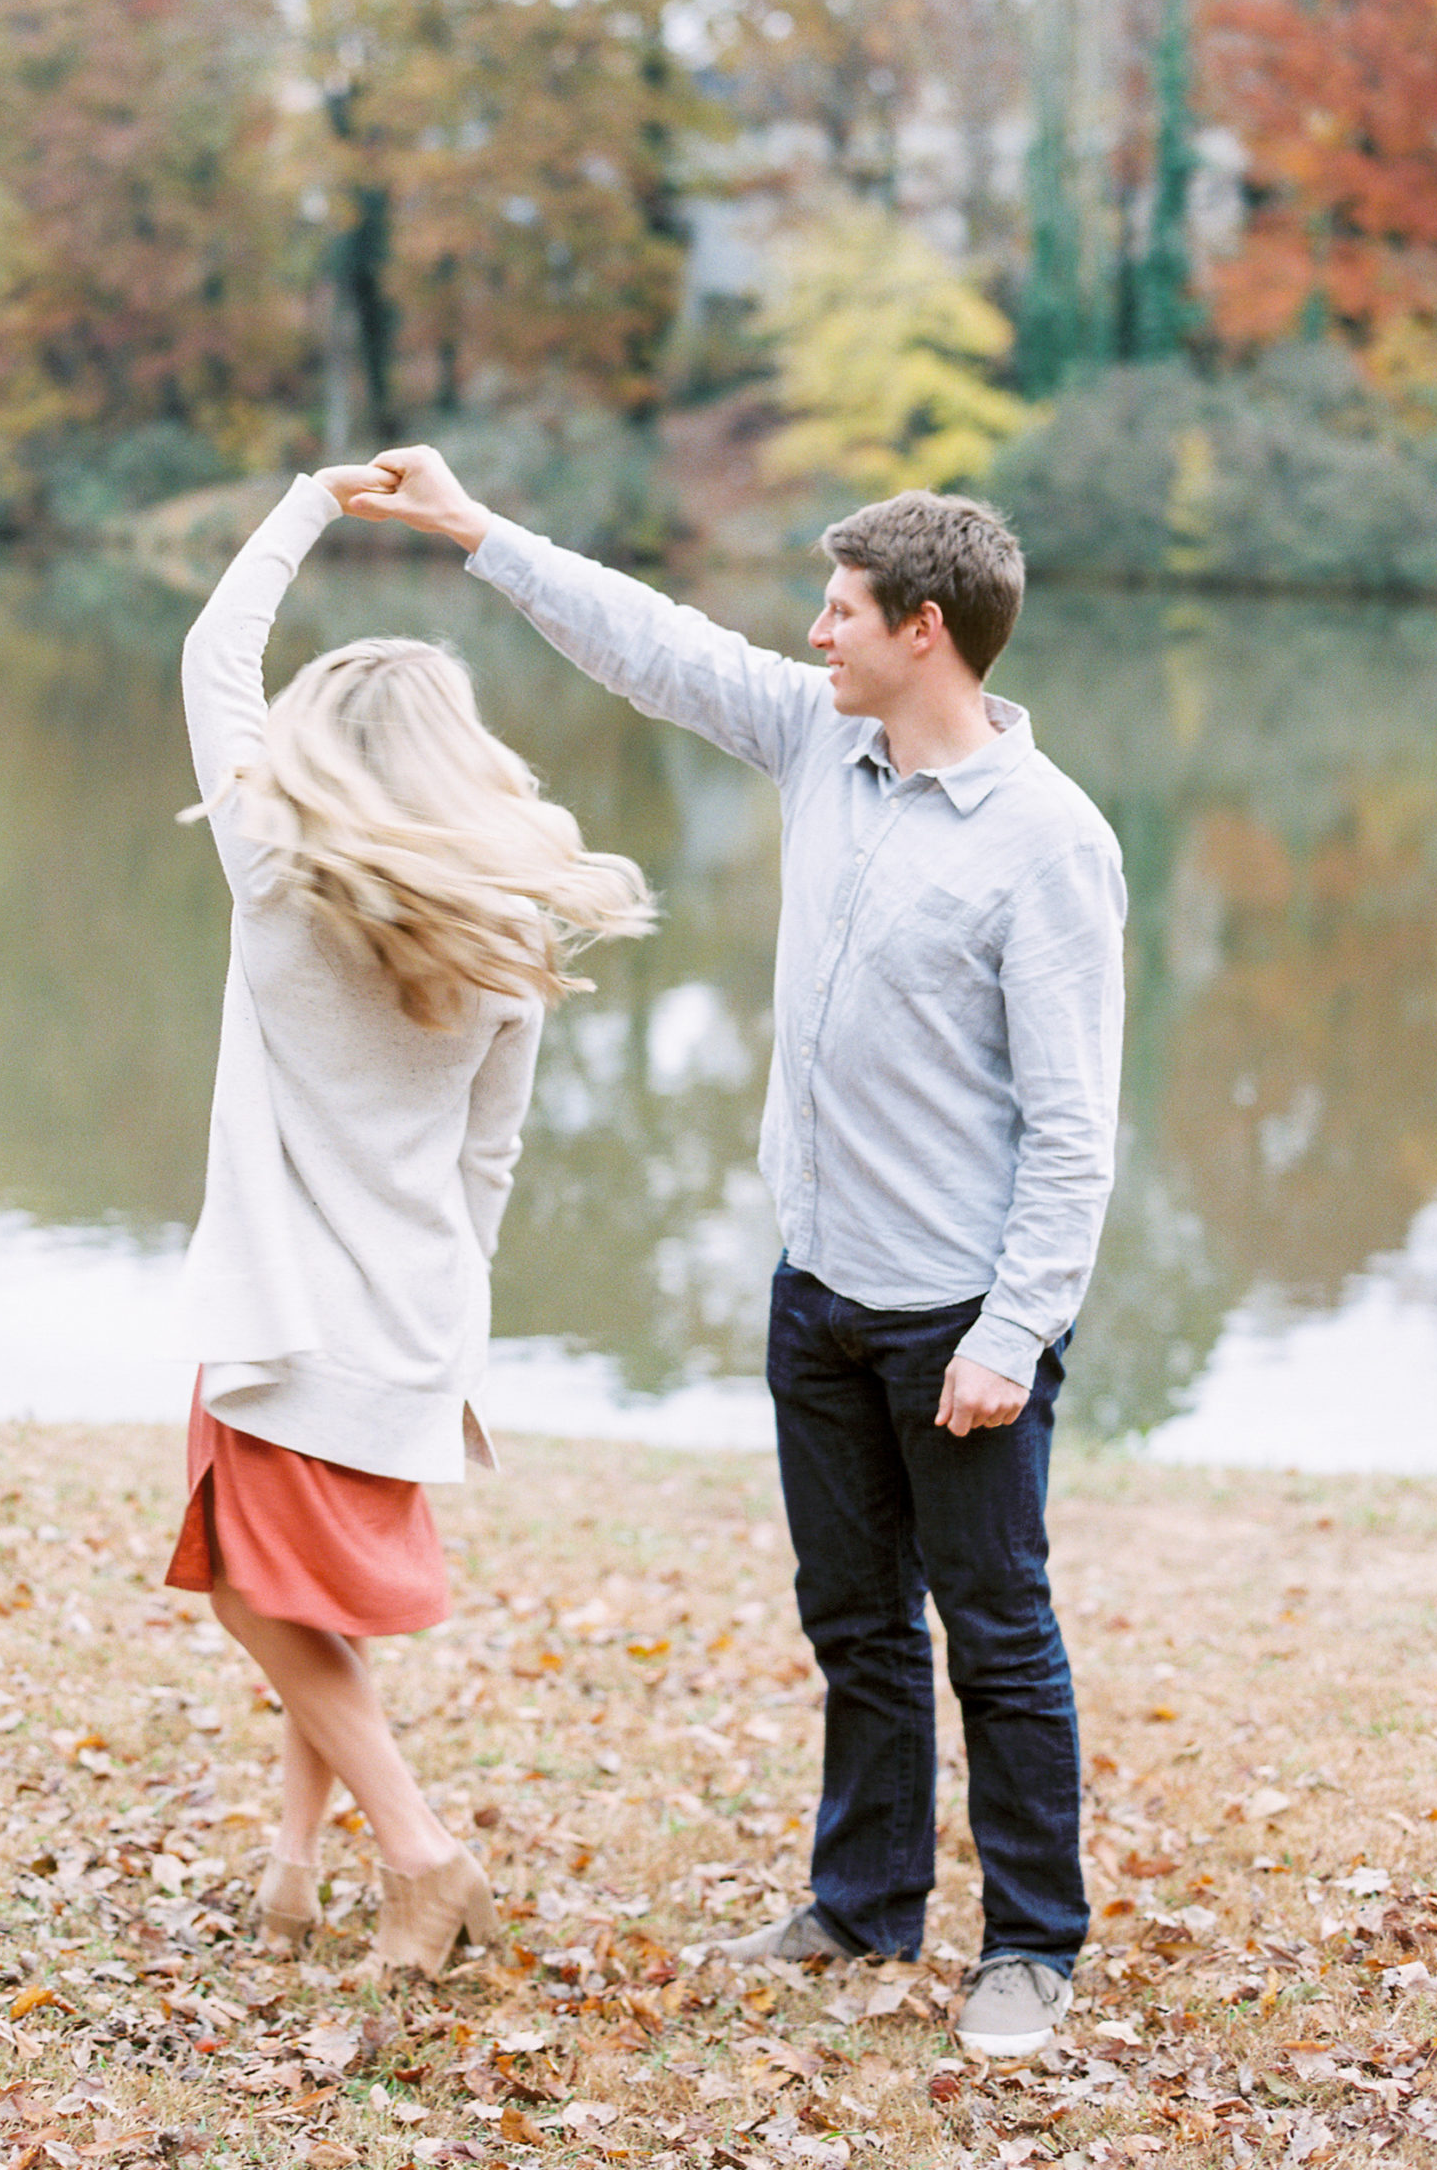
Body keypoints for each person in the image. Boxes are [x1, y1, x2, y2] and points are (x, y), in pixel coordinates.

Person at [350, 447, 1125, 2057]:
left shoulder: (1047, 842)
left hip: (958, 1318)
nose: (812, 633)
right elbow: (658, 645)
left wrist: (1012, 1332)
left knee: (997, 1631)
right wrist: (477, 528)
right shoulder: (815, 744)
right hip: (818, 1284)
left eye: (839, 611)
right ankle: (863, 1908)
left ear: (926, 629)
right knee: (853, 1621)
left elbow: (1073, 1126)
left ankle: (1033, 1948)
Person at [161, 463, 654, 1978]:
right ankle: (296, 1868)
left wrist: (310, 502)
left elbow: (210, 658)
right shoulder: (510, 933)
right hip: (411, 1314)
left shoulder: (273, 866)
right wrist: (452, 1325)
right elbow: (486, 1166)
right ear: (460, 760)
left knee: (254, 1594)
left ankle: (424, 1858)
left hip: (282, 1310)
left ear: (320, 751)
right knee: (311, 1601)